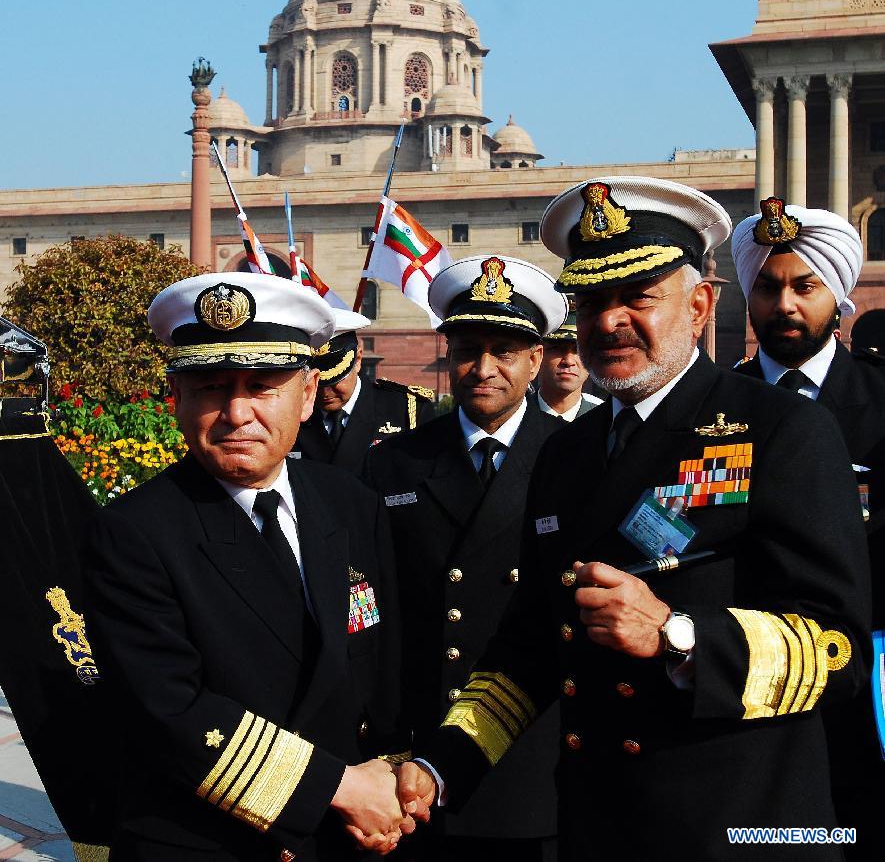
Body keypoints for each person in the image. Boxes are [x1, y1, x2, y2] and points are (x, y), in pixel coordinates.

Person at [396, 177, 872, 861]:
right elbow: (532, 641)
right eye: (591, 302)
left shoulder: (780, 429)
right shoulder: (566, 452)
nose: (609, 321)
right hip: (599, 824)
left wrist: (678, 635)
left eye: (637, 298)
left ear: (701, 304)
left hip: (738, 828)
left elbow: (838, 648)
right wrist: (441, 765)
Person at [81, 273, 412, 862]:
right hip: (210, 841)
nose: (237, 413)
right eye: (211, 387)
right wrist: (342, 789)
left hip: (349, 838)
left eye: (262, 387)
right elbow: (170, 711)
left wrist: (391, 774)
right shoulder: (135, 532)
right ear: (176, 398)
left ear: (307, 394)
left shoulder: (348, 502)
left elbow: (378, 660)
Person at [364, 255, 568, 862]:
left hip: (531, 752)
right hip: (418, 753)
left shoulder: (574, 457)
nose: (484, 369)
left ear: (535, 360)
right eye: (467, 349)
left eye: (504, 351)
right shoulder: (394, 462)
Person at [732, 199, 885, 859]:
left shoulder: (880, 403)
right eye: (766, 287)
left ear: (837, 294)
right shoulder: (713, 407)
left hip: (865, 695)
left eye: (803, 286)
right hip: (740, 688)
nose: (784, 304)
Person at [294, 309, 434, 474]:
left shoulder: (406, 411)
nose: (325, 393)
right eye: (316, 383)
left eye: (335, 380)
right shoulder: (292, 415)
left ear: (358, 359)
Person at [531, 300, 601, 420]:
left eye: (578, 351)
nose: (568, 361)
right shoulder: (512, 417)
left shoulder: (607, 421)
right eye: (557, 349)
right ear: (538, 356)